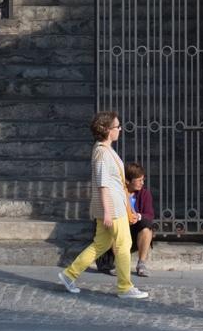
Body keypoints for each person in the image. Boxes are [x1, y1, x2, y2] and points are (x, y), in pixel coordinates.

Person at [58, 111, 149, 300]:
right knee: (124, 244)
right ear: (108, 130)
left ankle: (69, 275)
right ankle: (125, 287)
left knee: (101, 244)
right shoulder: (101, 152)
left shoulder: (105, 150)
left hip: (114, 205)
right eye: (117, 126)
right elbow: (102, 183)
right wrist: (108, 212)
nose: (120, 129)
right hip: (112, 207)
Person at [101, 163, 157, 278]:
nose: (142, 183)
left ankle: (141, 264)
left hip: (135, 231)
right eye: (139, 180)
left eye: (143, 179)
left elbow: (150, 215)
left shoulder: (145, 194)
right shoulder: (117, 193)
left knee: (147, 227)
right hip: (120, 229)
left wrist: (139, 216)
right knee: (112, 226)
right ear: (127, 181)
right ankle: (120, 264)